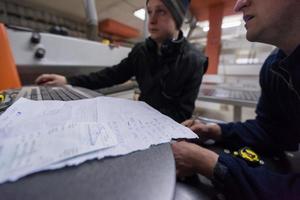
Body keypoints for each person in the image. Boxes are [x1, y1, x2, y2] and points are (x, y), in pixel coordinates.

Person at [171, 0, 300, 199]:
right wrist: (217, 131)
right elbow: (271, 131)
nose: (238, 5)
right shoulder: (275, 68)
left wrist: (212, 164)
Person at [35, 0, 208, 123]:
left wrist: (136, 114)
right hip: (136, 123)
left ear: (177, 18)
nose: (152, 20)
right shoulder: (141, 51)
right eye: (149, 12)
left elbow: (182, 114)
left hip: (164, 130)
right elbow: (111, 76)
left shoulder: (195, 61)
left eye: (161, 11)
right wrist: (68, 80)